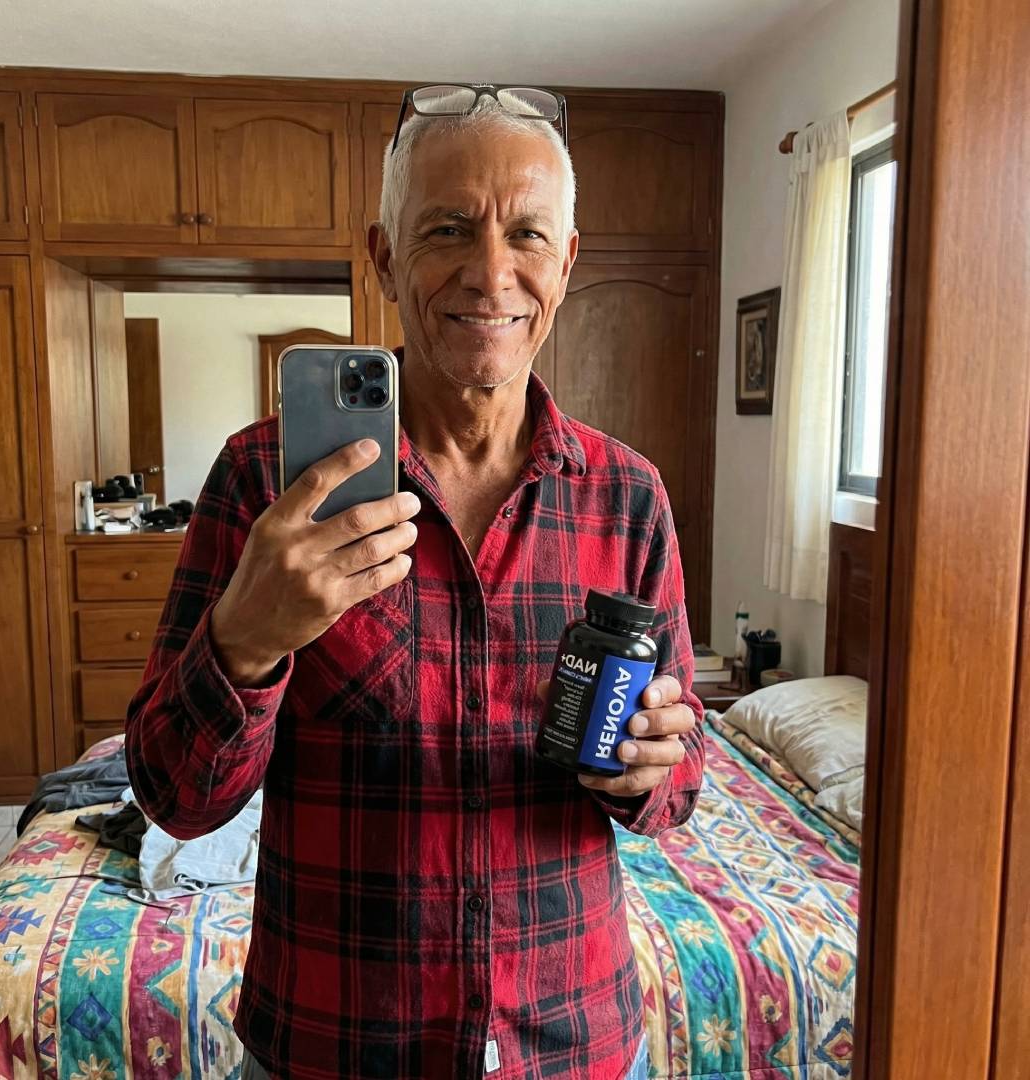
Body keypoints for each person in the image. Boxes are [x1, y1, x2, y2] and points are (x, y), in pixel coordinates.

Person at [126, 83, 705, 1080]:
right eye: (447, 229)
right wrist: (247, 641)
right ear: (386, 255)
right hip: (333, 1045)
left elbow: (680, 774)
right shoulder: (264, 482)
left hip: (574, 1039)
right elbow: (176, 800)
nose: (492, 272)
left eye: (527, 234)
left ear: (566, 262)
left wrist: (654, 767)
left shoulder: (628, 498)